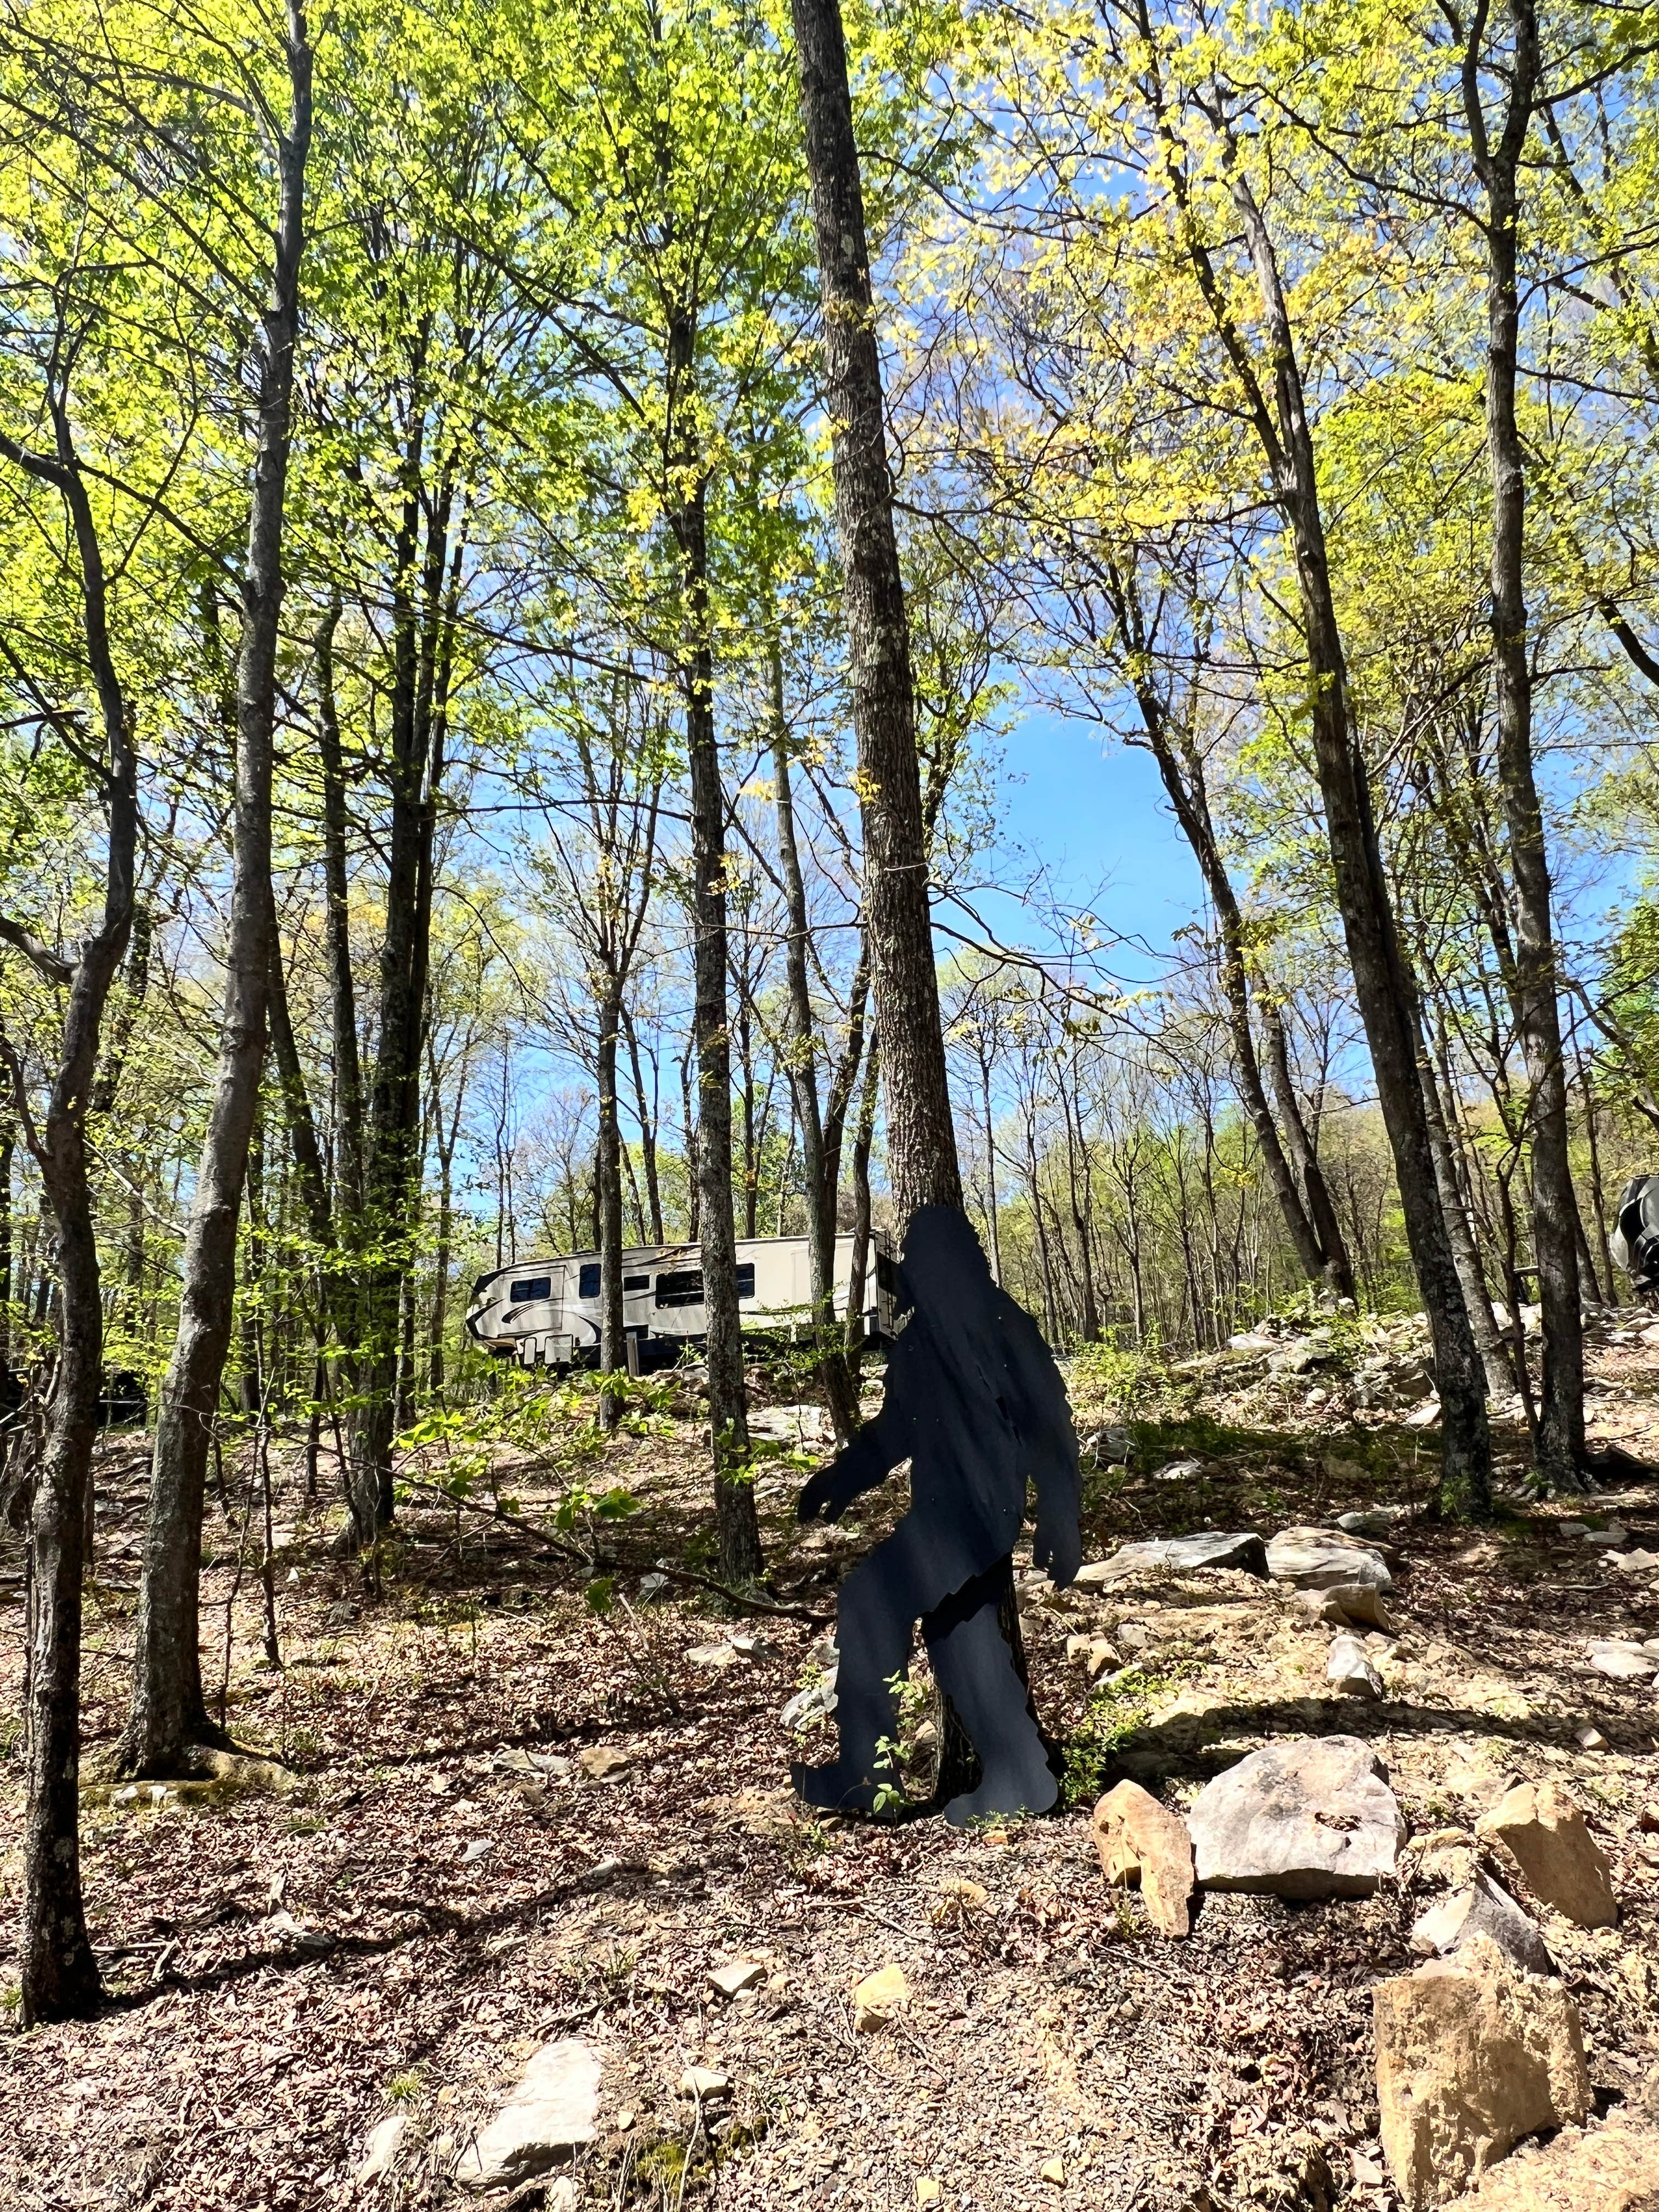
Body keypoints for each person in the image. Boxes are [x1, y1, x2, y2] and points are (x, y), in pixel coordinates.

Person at [793, 1205, 1081, 1824]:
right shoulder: (922, 1342)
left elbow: (1049, 1423)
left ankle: (864, 1777)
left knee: (869, 1601)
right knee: (961, 1638)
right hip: (949, 1509)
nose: (914, 1272)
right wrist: (840, 1479)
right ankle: (1022, 1777)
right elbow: (896, 1430)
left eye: (923, 1259)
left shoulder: (1000, 1323)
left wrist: (1062, 1517)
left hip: (976, 1513)